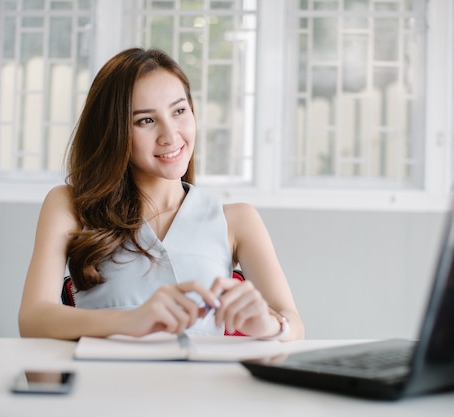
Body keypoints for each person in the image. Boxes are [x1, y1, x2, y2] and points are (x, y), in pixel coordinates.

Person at [18, 48, 304, 341]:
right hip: (105, 383)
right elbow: (33, 318)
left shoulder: (238, 219)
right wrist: (129, 319)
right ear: (114, 131)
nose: (171, 135)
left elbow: (294, 324)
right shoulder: (69, 205)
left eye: (179, 111)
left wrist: (271, 325)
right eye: (145, 120)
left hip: (204, 385)